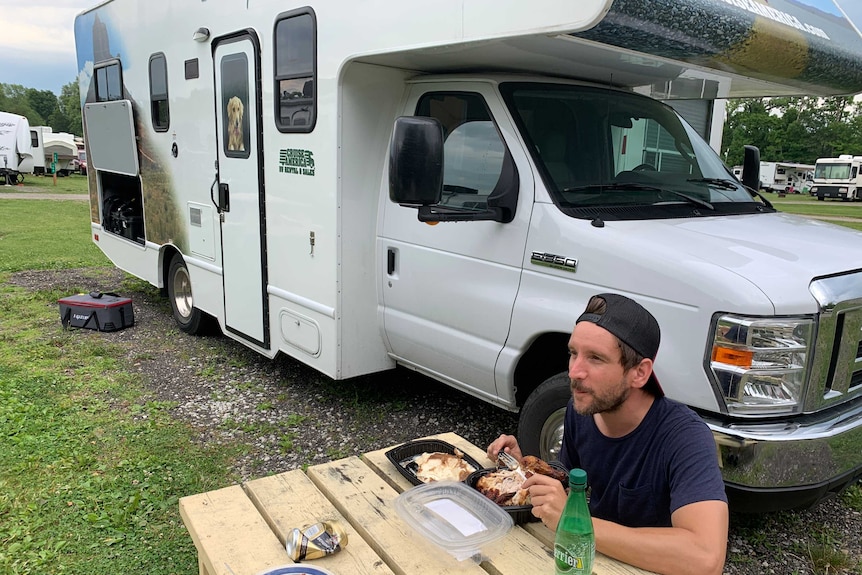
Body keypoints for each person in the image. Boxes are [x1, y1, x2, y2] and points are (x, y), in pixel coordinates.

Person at [487, 293, 728, 575]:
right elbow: (568, 488)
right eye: (573, 353)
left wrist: (575, 522)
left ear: (640, 373)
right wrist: (523, 468)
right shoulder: (581, 412)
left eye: (596, 358)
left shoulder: (684, 437)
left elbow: (705, 558)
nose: (575, 372)